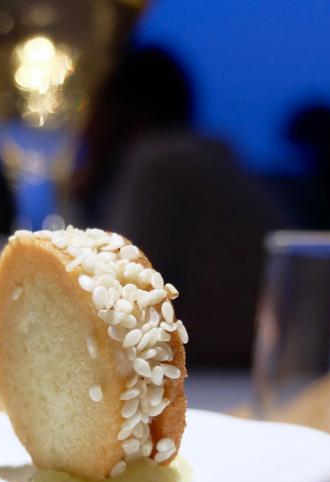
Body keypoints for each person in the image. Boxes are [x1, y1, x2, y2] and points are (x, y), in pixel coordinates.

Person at [73, 46, 286, 366]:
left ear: (121, 110)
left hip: (222, 374)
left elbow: (113, 294)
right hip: (260, 363)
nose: (81, 129)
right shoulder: (210, 159)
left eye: (88, 107)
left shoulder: (160, 163)